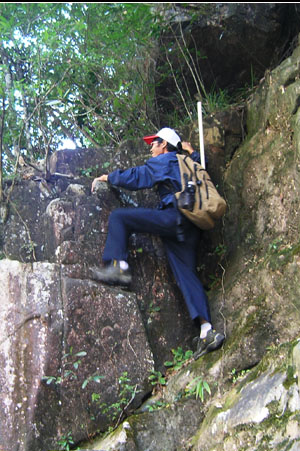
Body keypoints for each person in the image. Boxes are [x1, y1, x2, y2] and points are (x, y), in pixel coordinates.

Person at [91, 127, 224, 360]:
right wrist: (190, 152)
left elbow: (138, 177)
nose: (151, 147)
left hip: (174, 216)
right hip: (192, 225)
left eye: (154, 143)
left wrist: (108, 177)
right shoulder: (188, 163)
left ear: (164, 145)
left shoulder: (165, 160)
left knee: (119, 217)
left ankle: (118, 266)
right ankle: (206, 330)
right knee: (186, 275)